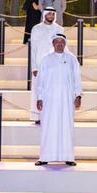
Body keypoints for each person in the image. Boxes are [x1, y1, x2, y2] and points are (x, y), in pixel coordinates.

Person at [35, 33, 82, 166]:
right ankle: (44, 157)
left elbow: (77, 78)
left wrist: (78, 95)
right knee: (48, 126)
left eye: (62, 42)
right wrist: (39, 97)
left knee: (66, 126)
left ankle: (68, 157)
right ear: (53, 44)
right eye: (57, 42)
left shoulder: (72, 59)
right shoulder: (46, 59)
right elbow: (41, 80)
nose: (60, 44)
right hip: (49, 99)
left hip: (67, 99)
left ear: (65, 44)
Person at [29, 7, 63, 124]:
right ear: (44, 15)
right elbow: (33, 49)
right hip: (39, 64)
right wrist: (34, 66)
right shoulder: (36, 29)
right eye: (49, 14)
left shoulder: (59, 29)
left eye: (53, 14)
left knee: (52, 90)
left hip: (54, 65)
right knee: (38, 90)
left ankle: (51, 115)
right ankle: (37, 116)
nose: (51, 16)